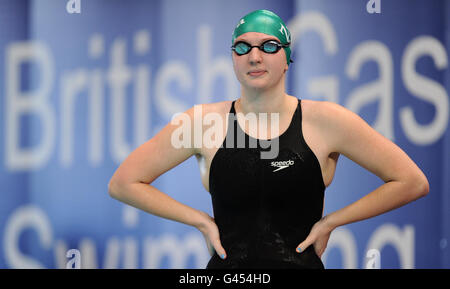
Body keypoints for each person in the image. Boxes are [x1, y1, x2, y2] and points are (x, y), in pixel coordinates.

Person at [108, 9, 429, 269]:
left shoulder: (327, 121)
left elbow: (411, 180)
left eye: (269, 46)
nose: (255, 57)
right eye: (243, 47)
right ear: (233, 57)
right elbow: (124, 182)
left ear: (287, 58)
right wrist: (199, 220)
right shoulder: (203, 122)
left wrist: (332, 221)